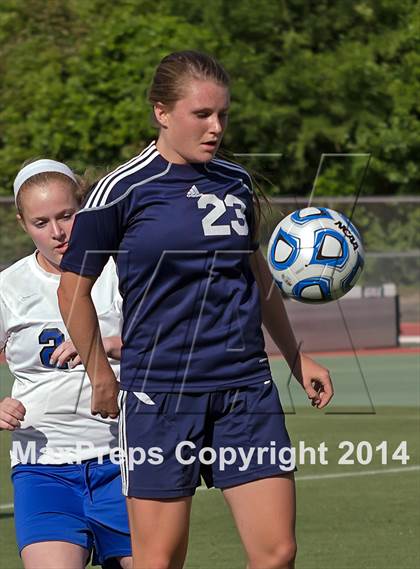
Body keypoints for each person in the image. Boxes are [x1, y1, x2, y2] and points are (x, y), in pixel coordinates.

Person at [58, 51, 334, 569]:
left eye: (223, 115)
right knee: (159, 561)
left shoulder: (235, 182)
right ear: (162, 112)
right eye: (202, 115)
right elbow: (72, 289)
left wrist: (297, 358)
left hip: (244, 389)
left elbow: (258, 275)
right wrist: (99, 373)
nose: (216, 128)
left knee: (278, 553)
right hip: (160, 394)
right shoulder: (121, 190)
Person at [0, 160, 132, 569]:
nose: (56, 232)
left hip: (126, 460)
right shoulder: (8, 286)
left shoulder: (121, 272)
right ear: (23, 223)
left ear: (85, 207)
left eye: (66, 216)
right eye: (41, 222)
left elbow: (171, 345)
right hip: (44, 468)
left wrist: (106, 344)